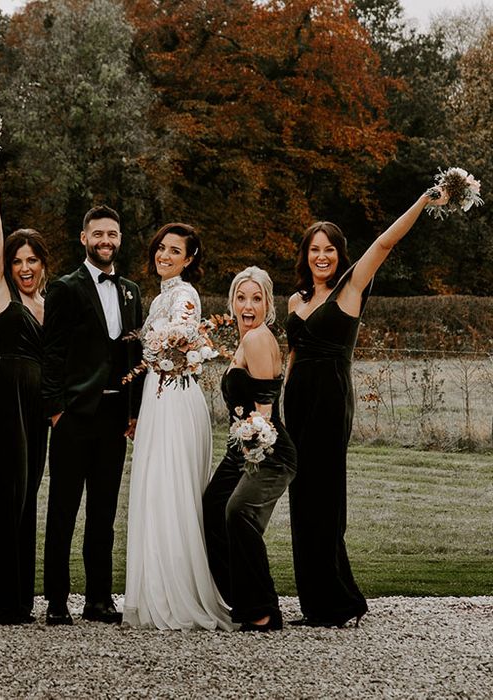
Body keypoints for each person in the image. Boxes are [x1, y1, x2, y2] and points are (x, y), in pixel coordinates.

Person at [284, 187, 448, 628]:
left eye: (330, 249)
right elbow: (293, 357)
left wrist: (421, 202)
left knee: (324, 498)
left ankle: (340, 602)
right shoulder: (295, 301)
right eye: (314, 249)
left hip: (330, 400)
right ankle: (317, 605)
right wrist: (277, 409)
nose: (322, 257)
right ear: (306, 254)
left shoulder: (350, 288)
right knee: (301, 500)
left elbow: (385, 243)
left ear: (340, 254)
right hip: (296, 403)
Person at [122, 223, 231, 630]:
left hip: (173, 395)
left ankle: (174, 593)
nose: (164, 256)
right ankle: (155, 590)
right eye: (161, 248)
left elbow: (173, 341)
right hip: (159, 391)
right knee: (156, 488)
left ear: (189, 259)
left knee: (169, 488)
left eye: (174, 251)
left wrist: (155, 348)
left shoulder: (184, 295)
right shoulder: (162, 297)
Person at [41, 205, 143, 625]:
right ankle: (56, 601)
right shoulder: (65, 288)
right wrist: (55, 411)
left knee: (103, 513)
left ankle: (99, 600)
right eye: (98, 234)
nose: (106, 241)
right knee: (63, 510)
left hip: (114, 416)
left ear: (120, 239)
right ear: (84, 238)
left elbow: (138, 354)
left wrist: (134, 412)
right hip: (74, 416)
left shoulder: (133, 290)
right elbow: (52, 354)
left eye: (112, 234)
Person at [0, 129, 50, 624]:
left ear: (43, 264)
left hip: (38, 403)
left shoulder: (52, 304)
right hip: (2, 397)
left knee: (27, 494)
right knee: (1, 492)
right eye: (17, 259)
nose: (23, 266)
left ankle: (20, 596)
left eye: (31, 260)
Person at [202, 266, 296, 632]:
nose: (248, 305)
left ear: (268, 303)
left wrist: (252, 452)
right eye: (241, 297)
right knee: (213, 507)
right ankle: (237, 599)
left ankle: (263, 610)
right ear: (232, 301)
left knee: (238, 512)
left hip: (269, 452)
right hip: (241, 447)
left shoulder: (257, 339)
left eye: (256, 298)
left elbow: (264, 412)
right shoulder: (244, 339)